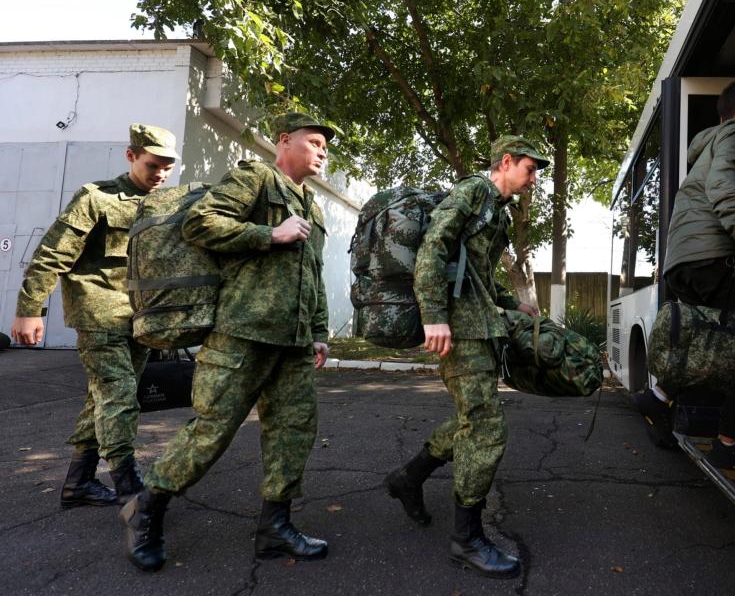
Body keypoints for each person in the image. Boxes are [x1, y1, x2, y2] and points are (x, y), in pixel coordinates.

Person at [119, 112, 334, 572]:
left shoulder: (310, 205)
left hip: (292, 343)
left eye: (324, 146)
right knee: (212, 431)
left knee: (293, 434)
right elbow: (200, 223)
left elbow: (311, 275)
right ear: (285, 142)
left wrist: (318, 332)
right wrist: (267, 234)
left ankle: (275, 527)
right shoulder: (255, 178)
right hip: (241, 333)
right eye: (314, 142)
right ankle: (146, 509)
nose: (322, 152)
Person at [385, 135, 548, 580]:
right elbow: (433, 248)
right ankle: (467, 539)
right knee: (487, 426)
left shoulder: (497, 207)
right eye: (531, 169)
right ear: (507, 161)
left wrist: (515, 303)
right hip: (458, 329)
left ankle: (408, 478)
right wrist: (433, 316)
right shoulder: (473, 191)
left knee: (470, 420)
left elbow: (476, 273)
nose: (534, 179)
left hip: (479, 325)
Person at [10, 124, 179, 507]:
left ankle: (78, 483)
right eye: (154, 165)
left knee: (102, 397)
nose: (161, 174)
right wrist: (29, 310)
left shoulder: (163, 204)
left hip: (140, 316)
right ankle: (129, 486)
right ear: (131, 155)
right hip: (98, 312)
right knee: (119, 395)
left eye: (168, 167)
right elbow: (51, 255)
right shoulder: (95, 197)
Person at [661, 79, 735, 470]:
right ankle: (729, 442)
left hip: (683, 260)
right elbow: (724, 182)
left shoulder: (705, 146)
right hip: (713, 255)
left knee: (710, 342)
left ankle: (661, 396)